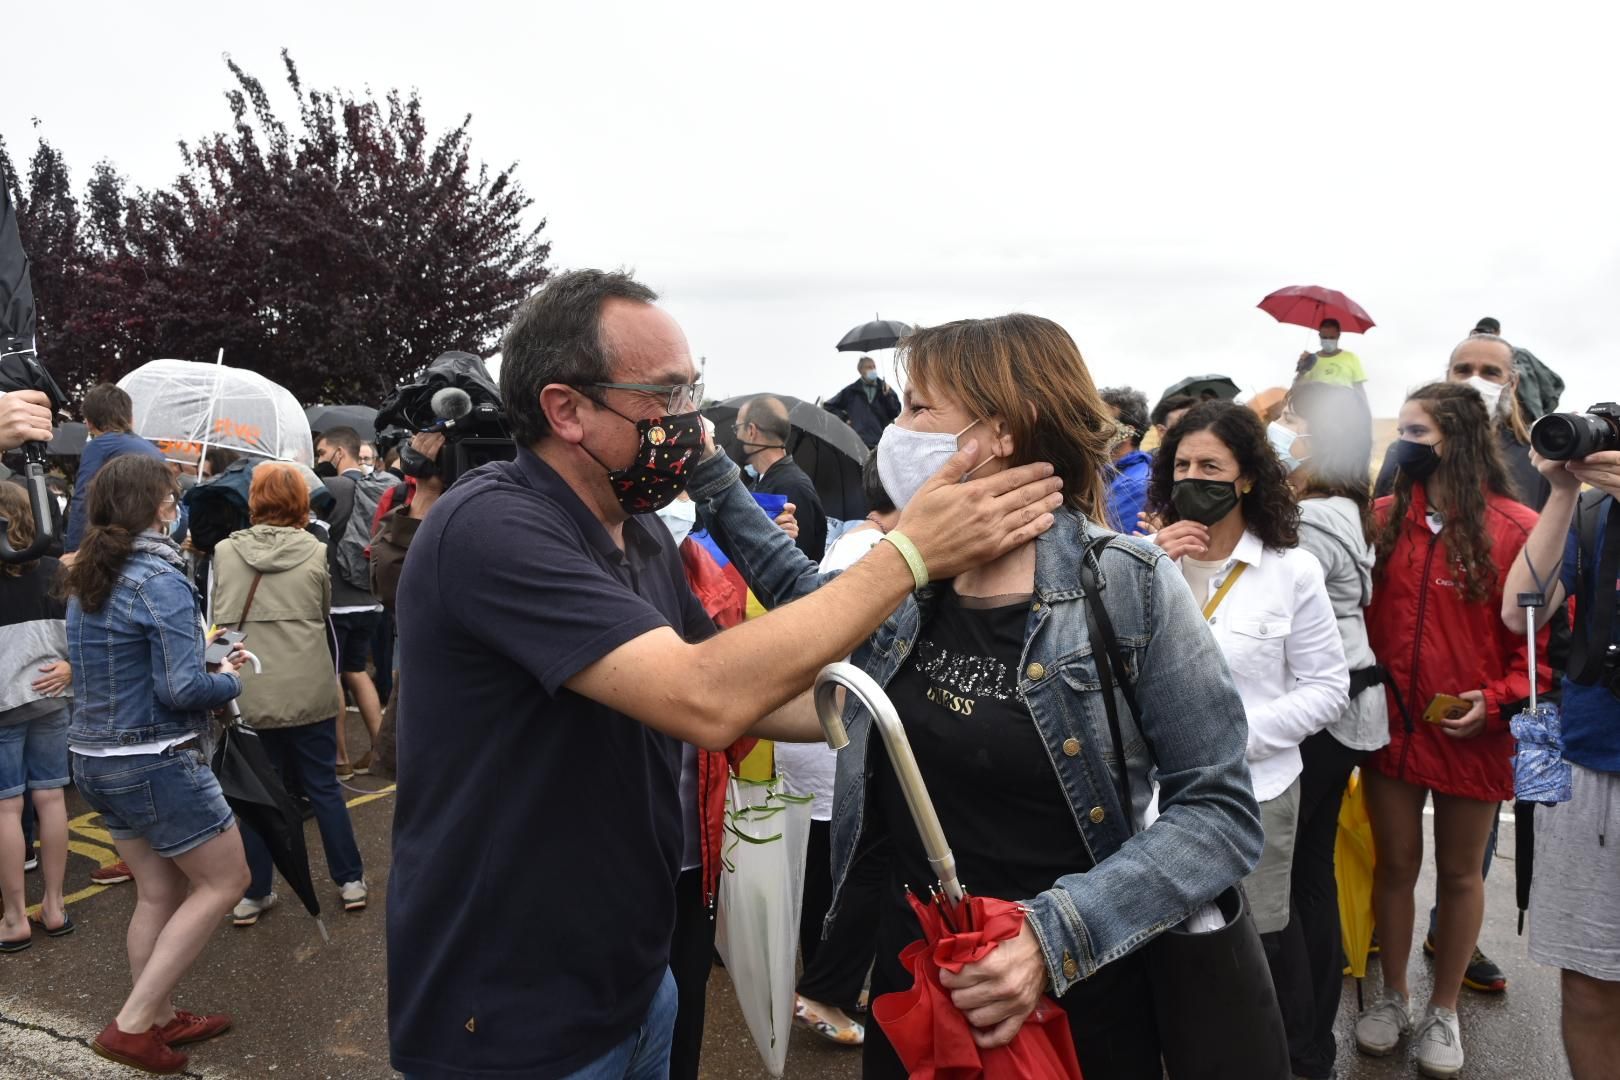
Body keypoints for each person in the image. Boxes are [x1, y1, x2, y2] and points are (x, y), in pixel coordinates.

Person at [385, 270, 1063, 1080]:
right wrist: (908, 557)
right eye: (665, 397)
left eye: (692, 392)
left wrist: (934, 709)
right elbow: (703, 697)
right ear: (567, 409)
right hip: (508, 1012)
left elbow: (761, 693)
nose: (693, 423)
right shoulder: (492, 525)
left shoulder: (636, 534)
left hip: (634, 983)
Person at [696, 313, 1265, 1079]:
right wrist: (711, 479)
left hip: (1074, 994)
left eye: (918, 409)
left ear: (998, 434)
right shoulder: (906, 580)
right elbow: (809, 613)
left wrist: (1048, 938)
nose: (895, 431)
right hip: (918, 988)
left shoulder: (1128, 584)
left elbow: (1220, 812)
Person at [1354, 382, 1549, 1076]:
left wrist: (1497, 703)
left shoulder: (1519, 528)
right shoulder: (1377, 519)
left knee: (1463, 874)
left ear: (1458, 440)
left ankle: (1444, 1008)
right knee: (1396, 866)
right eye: (1401, 429)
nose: (1404, 443)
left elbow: (1543, 648)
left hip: (1476, 733)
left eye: (1418, 431)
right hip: (1391, 730)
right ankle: (1394, 996)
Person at [1148, 400, 1349, 1062]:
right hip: (1155, 798)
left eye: (1211, 465)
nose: (1192, 477)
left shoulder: (1292, 571)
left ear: (1246, 479)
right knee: (1163, 942)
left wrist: (1231, 739)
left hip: (1255, 792)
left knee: (1253, 946)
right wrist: (1149, 568)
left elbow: (1327, 688)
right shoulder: (1141, 566)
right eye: (1181, 465)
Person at [62, 454, 250, 1074]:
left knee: (159, 889)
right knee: (227, 881)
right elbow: (181, 690)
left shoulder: (90, 571)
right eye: (173, 498)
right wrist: (226, 679)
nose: (179, 507)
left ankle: (159, 1016)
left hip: (94, 757)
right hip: (153, 759)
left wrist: (202, 666)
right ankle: (134, 1024)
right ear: (155, 506)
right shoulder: (158, 577)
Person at [1268, 383, 1390, 1079]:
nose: (1281, 430)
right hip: (1346, 710)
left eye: (1291, 419)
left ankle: (1299, 1043)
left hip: (1322, 712)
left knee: (1287, 878)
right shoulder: (1340, 506)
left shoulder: (1311, 520)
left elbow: (1293, 624)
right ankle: (1308, 1040)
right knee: (1306, 871)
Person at [1502, 442, 1620, 1080]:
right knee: (1589, 982)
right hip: (1590, 763)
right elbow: (1518, 608)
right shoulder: (1592, 514)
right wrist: (1562, 493)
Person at [211, 463, 366, 927]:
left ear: (253, 500)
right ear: (301, 501)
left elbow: (219, 622)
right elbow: (323, 615)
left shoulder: (224, 551)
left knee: (258, 797)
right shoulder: (317, 550)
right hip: (308, 684)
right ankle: (350, 880)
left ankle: (255, 892)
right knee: (323, 787)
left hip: (250, 686)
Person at [784, 457, 898, 1048]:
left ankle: (829, 983)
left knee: (837, 872)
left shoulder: (858, 541)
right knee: (855, 871)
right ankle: (825, 988)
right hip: (837, 742)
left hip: (832, 739)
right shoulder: (875, 555)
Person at [0, 482, 73, 952]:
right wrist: (70, 668)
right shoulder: (52, 568)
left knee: (6, 807)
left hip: (3, 702)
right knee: (51, 800)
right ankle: (54, 905)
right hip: (51, 694)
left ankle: (12, 917)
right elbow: (77, 632)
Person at [1376, 334, 1548, 511]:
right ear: (1448, 376)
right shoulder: (1407, 451)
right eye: (1463, 371)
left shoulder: (1535, 460)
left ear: (1512, 383)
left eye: (1490, 372)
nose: (1474, 381)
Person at [314, 426, 387, 778]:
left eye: (322, 452)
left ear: (340, 454)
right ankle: (379, 750)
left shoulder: (332, 488)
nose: (319, 460)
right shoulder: (382, 485)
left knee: (333, 677)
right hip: (371, 599)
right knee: (357, 672)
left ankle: (340, 760)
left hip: (338, 602)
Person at [63, 384, 166, 555]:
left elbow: (84, 499)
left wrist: (73, 551)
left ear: (89, 422)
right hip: (152, 540)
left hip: (114, 544)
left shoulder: (100, 447)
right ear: (130, 417)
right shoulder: (155, 451)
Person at [738, 395, 828, 561]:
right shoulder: (758, 482)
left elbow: (796, 565)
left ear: (751, 431)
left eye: (737, 428)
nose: (736, 436)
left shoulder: (794, 488)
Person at [1099, 387, 1153, 532]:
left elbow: (1104, 539)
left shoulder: (1136, 485)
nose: (1096, 429)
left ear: (1127, 432)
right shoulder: (1110, 472)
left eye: (1103, 421)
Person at [823, 355, 902, 448]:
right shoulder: (851, 391)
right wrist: (845, 418)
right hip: (857, 442)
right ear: (860, 370)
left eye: (874, 367)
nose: (872, 370)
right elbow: (828, 406)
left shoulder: (885, 389)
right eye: (869, 367)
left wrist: (888, 396)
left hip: (881, 443)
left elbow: (895, 412)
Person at [1294, 318, 1369, 400]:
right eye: (1324, 337)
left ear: (1338, 336)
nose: (1328, 340)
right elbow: (1297, 389)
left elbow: (1359, 389)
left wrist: (1366, 410)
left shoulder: (1351, 358)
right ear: (1319, 336)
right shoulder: (1311, 359)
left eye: (1331, 337)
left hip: (1345, 407)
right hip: (1318, 407)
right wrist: (1301, 370)